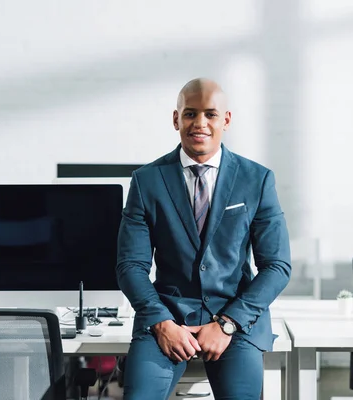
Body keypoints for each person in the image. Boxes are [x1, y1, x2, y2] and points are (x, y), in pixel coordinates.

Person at [116, 78, 291, 400]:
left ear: (226, 120)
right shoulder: (146, 181)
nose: (199, 124)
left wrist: (228, 323)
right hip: (166, 314)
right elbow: (131, 265)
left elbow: (277, 266)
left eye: (210, 114)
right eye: (190, 114)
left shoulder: (258, 179)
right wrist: (161, 321)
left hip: (234, 316)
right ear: (175, 119)